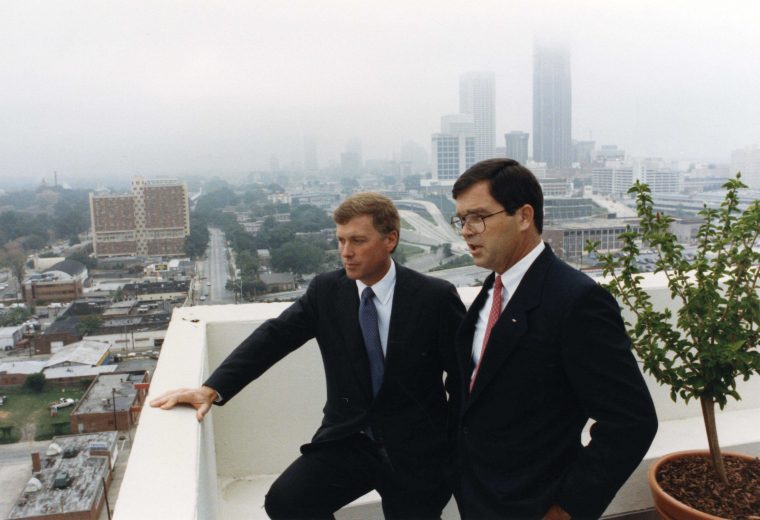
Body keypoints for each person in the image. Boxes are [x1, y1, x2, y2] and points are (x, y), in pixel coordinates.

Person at [150, 192, 465, 520]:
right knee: (287, 502)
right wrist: (212, 388)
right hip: (350, 438)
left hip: (418, 450)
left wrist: (454, 449)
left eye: (358, 240)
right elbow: (274, 337)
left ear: (390, 240)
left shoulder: (435, 298)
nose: (346, 252)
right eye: (341, 240)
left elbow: (463, 379)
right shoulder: (327, 291)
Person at [449, 159, 658, 520]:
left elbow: (632, 421)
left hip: (534, 502)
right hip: (477, 495)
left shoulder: (576, 301)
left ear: (524, 216)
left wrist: (568, 508)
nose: (467, 231)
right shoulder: (491, 291)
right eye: (462, 219)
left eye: (478, 217)